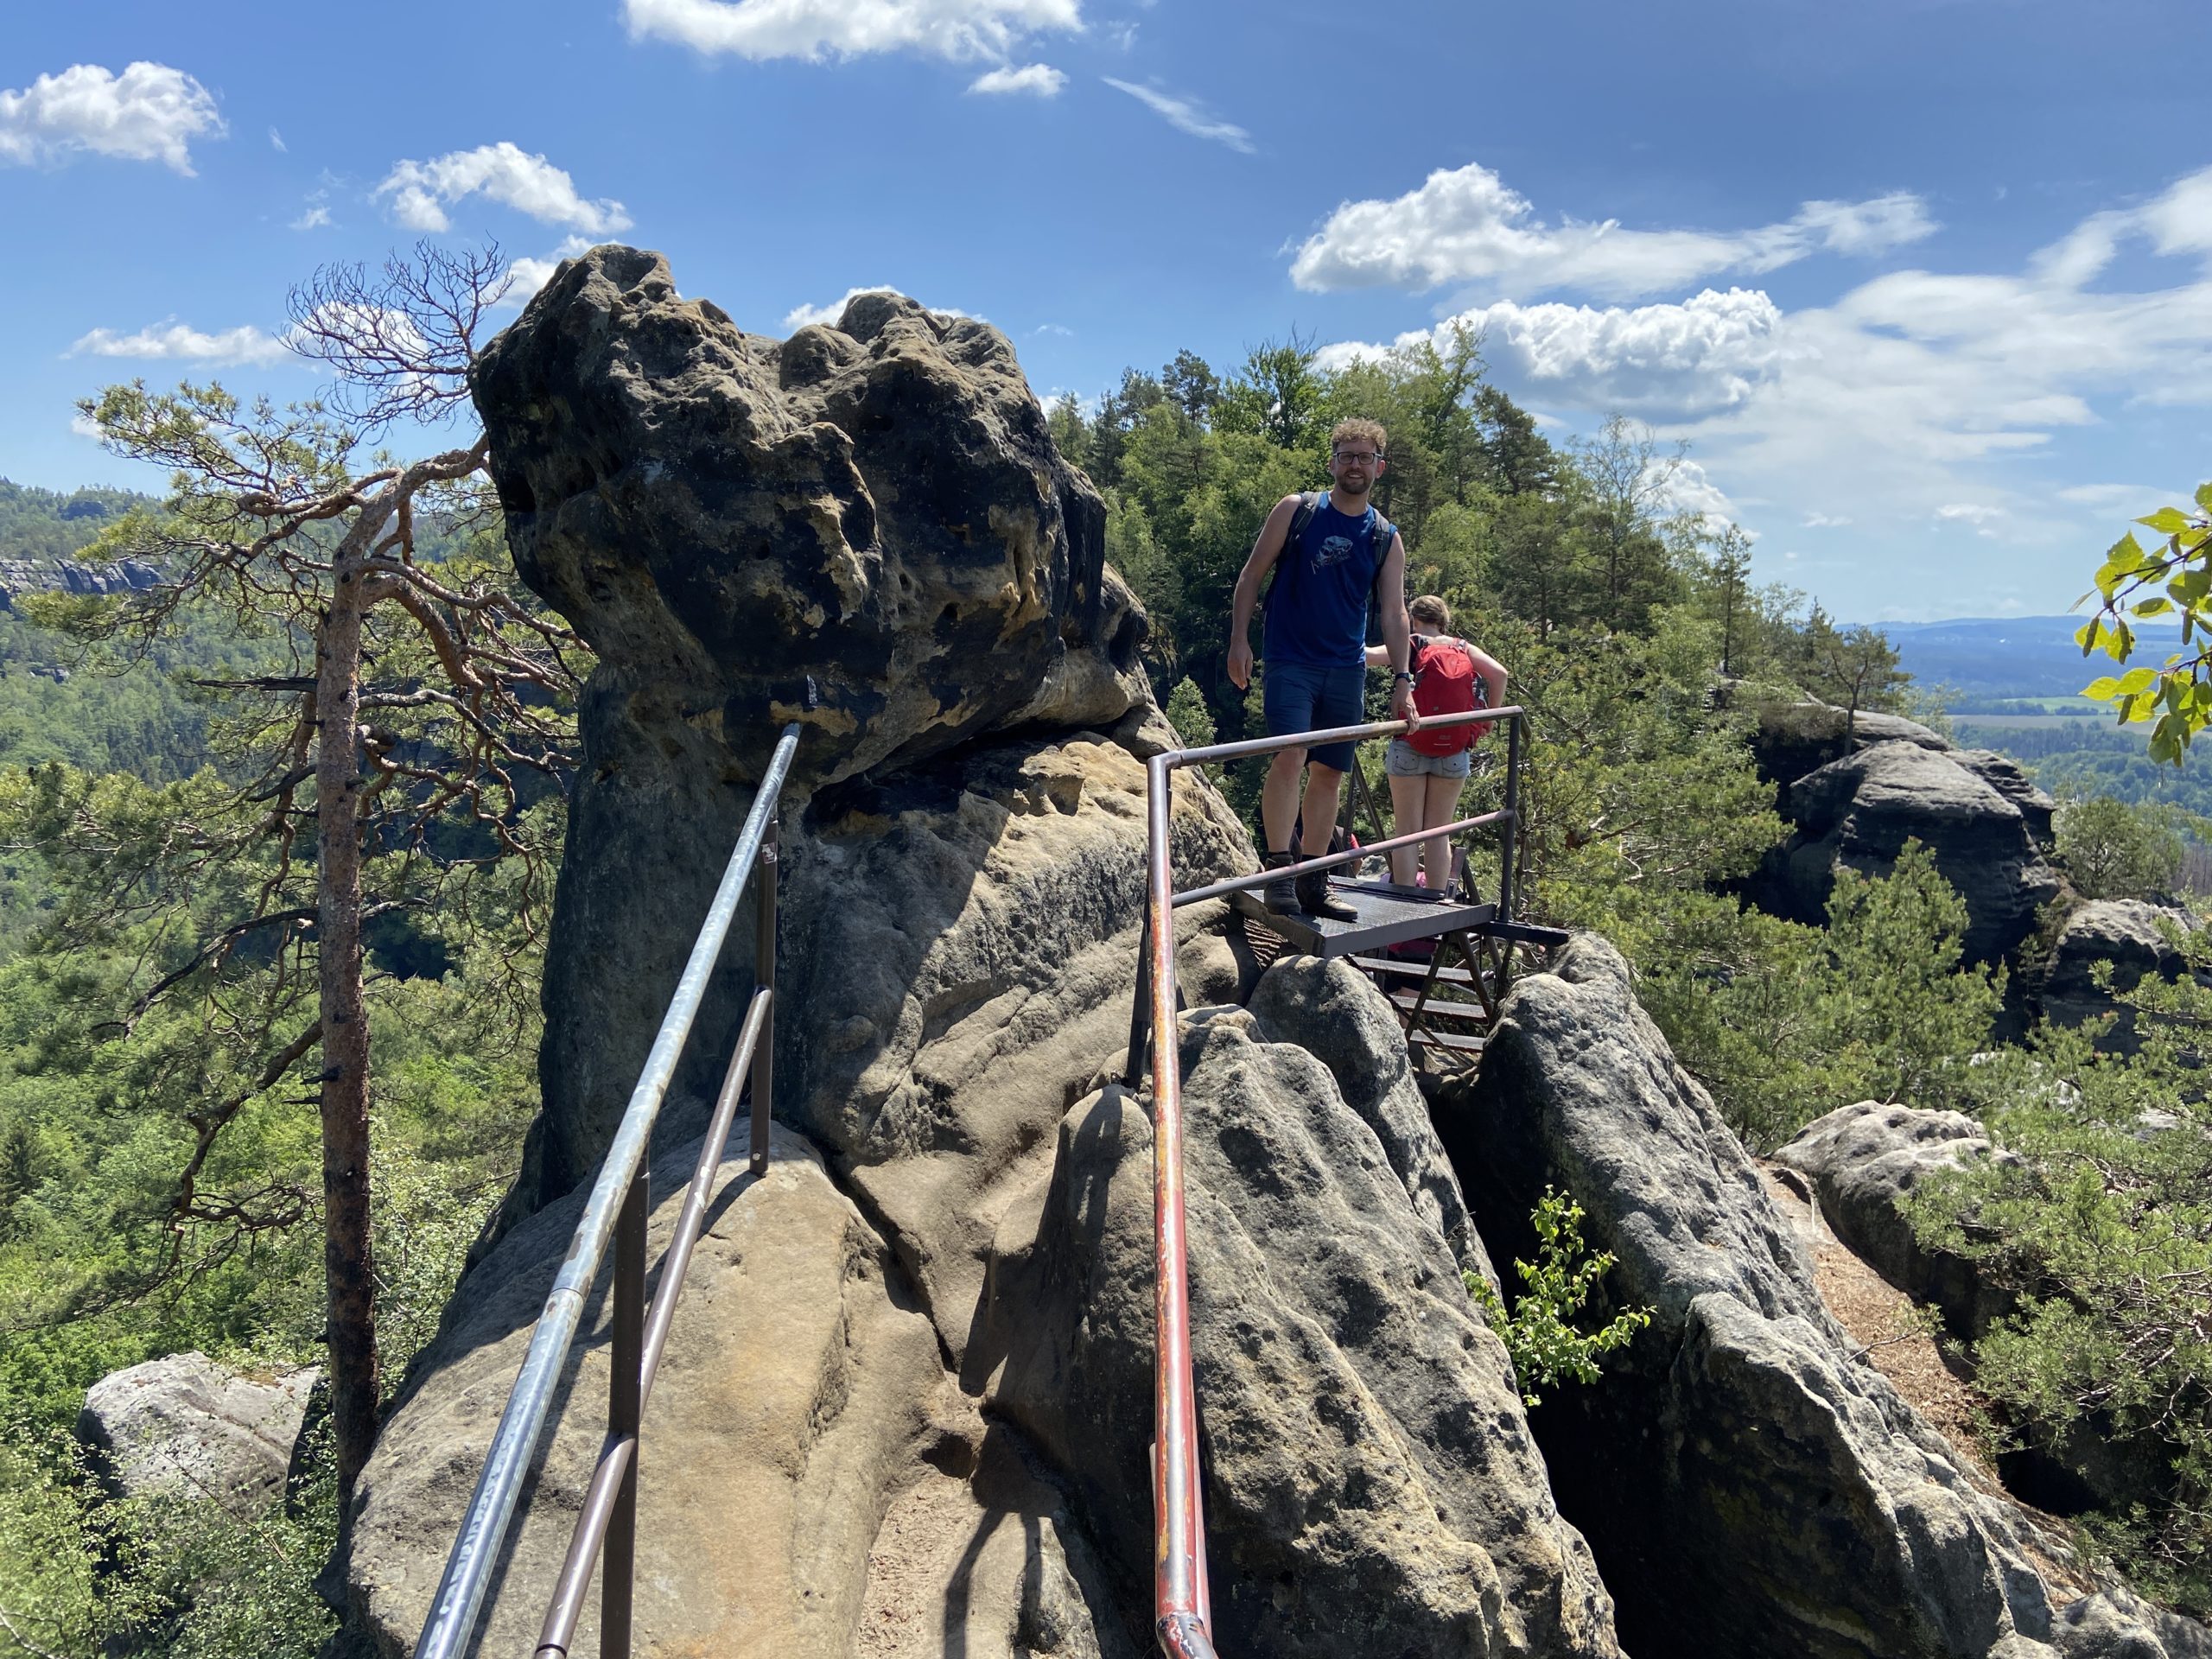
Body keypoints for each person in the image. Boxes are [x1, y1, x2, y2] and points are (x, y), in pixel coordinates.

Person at [1226, 417, 1415, 918]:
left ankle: (1315, 878)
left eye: (1364, 456)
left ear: (1380, 466)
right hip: (1291, 660)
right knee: (1290, 756)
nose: (1355, 464)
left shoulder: (1384, 537)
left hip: (1346, 668)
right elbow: (1251, 576)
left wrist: (1403, 680)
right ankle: (1280, 873)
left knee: (1331, 772)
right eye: (1346, 455)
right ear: (1333, 463)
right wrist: (1239, 641)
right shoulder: (1297, 511)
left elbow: (1394, 614)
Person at [1364, 594, 1508, 892]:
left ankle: (1404, 909)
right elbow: (1499, 674)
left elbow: (1366, 656)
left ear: (1414, 619)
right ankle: (1434, 906)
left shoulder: (1412, 644)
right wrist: (1490, 719)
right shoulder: (1463, 648)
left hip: (1410, 745)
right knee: (1439, 834)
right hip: (1454, 751)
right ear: (1443, 620)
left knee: (1407, 834)